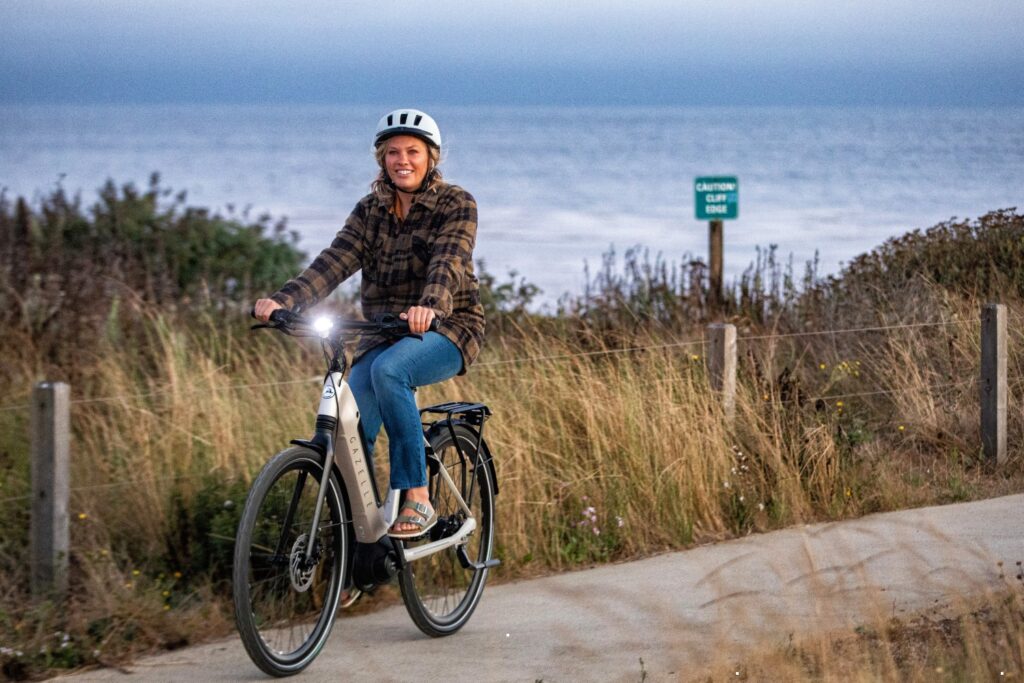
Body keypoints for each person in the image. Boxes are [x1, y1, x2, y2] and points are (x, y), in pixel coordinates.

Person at [254, 109, 484, 539]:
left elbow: (448, 261)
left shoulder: (456, 203)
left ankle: (418, 497)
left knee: (389, 371)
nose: (403, 160)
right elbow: (334, 261)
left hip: (448, 329)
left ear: (431, 157)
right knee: (349, 424)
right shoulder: (370, 211)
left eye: (413, 151)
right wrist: (285, 300)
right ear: (381, 159)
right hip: (384, 333)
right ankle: (360, 551)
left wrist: (429, 305)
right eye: (393, 152)